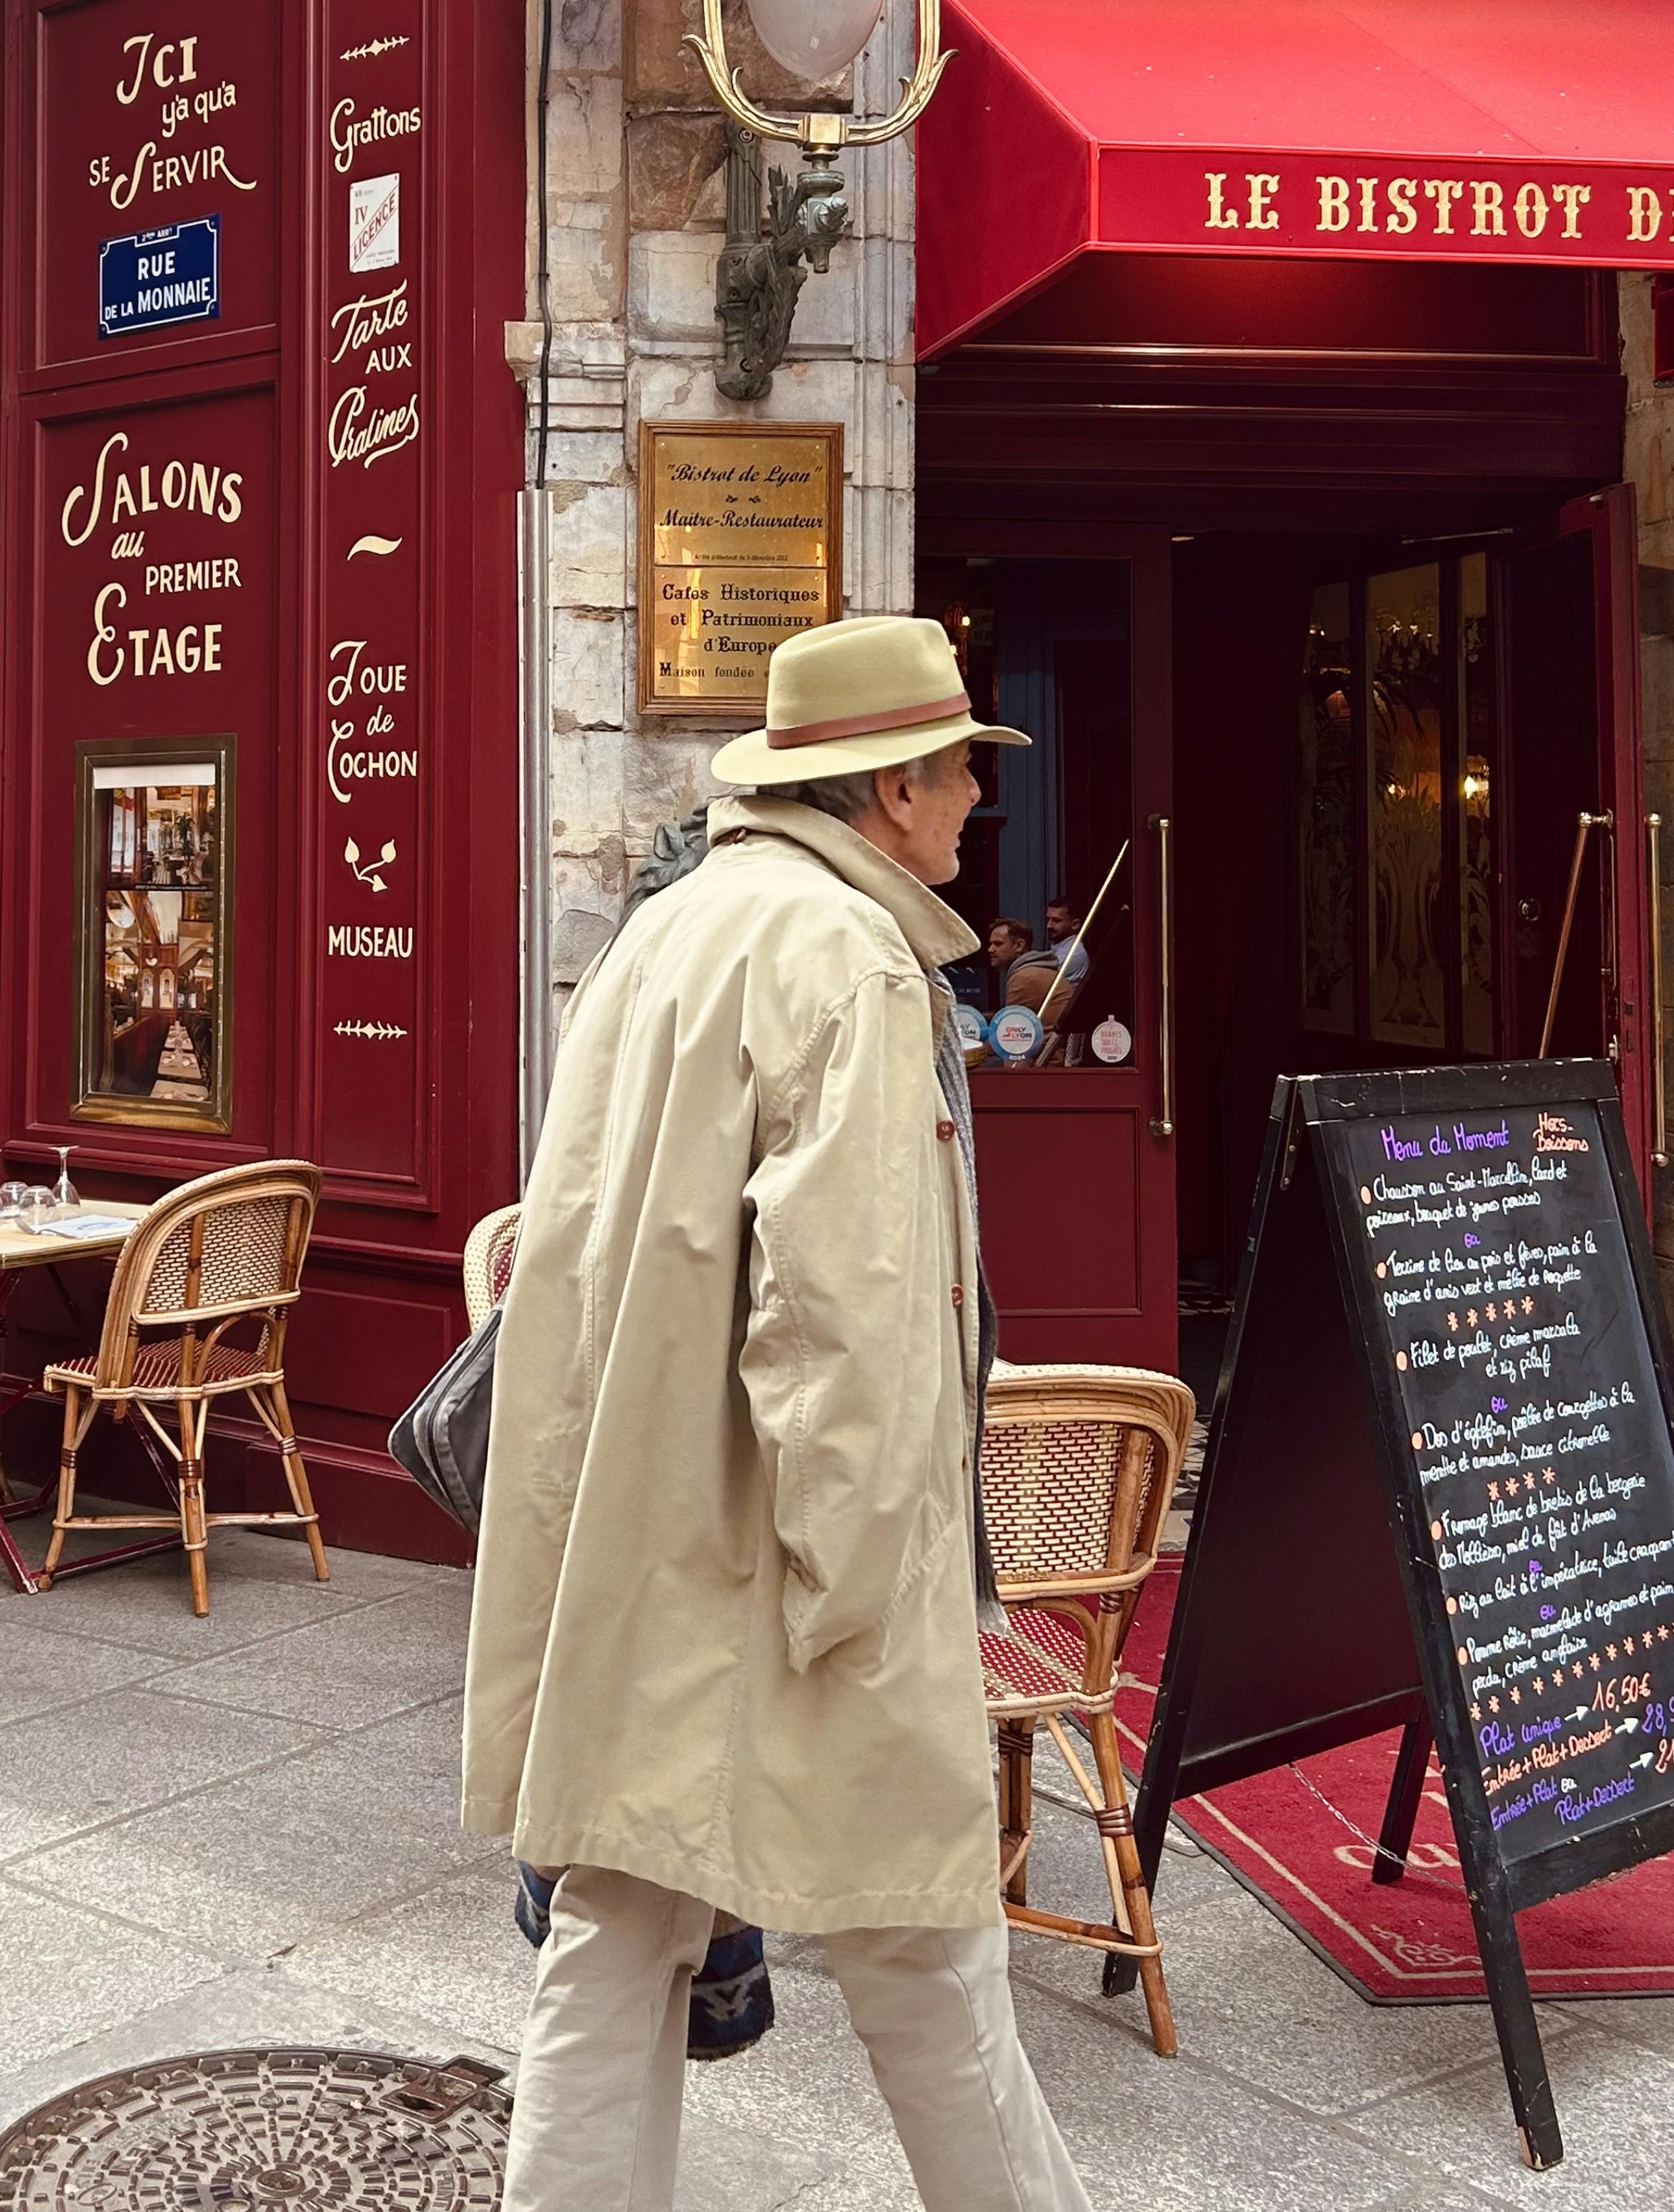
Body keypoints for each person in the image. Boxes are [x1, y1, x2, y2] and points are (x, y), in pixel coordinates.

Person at [464, 613, 1094, 2212]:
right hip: (782, 1557)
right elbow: (848, 1321)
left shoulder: (666, 930)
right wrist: (865, 1589)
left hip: (645, 1524)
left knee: (621, 1925)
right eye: (959, 767)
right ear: (890, 789)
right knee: (926, 1944)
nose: (976, 800)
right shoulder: (851, 961)